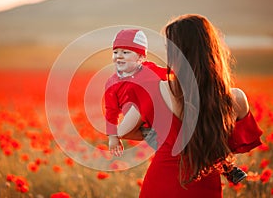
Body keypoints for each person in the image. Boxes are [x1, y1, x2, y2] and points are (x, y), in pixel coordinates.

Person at [116, 14, 263, 197]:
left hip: (162, 183)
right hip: (205, 186)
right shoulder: (235, 99)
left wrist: (160, 138)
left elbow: (123, 131)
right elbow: (232, 145)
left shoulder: (155, 91)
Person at [105, 29, 167, 157]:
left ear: (141, 57)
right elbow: (111, 111)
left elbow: (171, 76)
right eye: (115, 52)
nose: (119, 56)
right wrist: (113, 137)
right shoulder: (112, 83)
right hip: (145, 130)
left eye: (125, 52)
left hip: (161, 121)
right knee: (167, 154)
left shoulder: (150, 69)